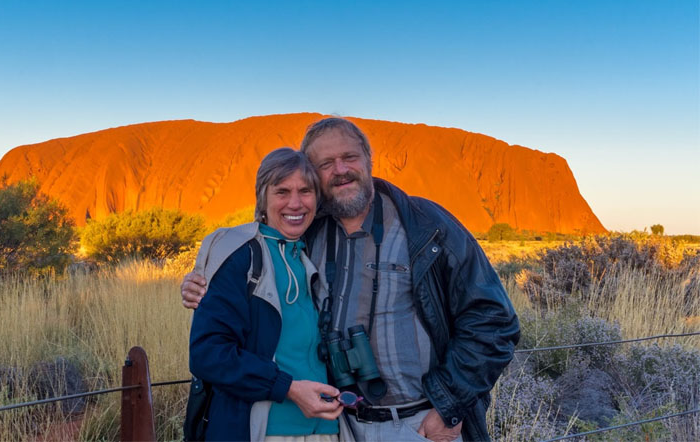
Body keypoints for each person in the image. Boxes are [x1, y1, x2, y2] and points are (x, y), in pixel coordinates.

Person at [183, 119, 520, 442]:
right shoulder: (308, 233)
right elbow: (261, 243)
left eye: (349, 157)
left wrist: (448, 406)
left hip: (418, 426)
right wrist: (202, 280)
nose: (340, 169)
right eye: (326, 163)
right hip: (341, 426)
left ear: (368, 160)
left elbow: (494, 320)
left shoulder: (424, 225)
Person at [189, 147, 348, 442]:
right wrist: (287, 388)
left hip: (326, 430)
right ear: (263, 197)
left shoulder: (313, 255)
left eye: (305, 191)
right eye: (282, 191)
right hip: (264, 431)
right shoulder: (240, 255)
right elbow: (207, 354)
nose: (295, 203)